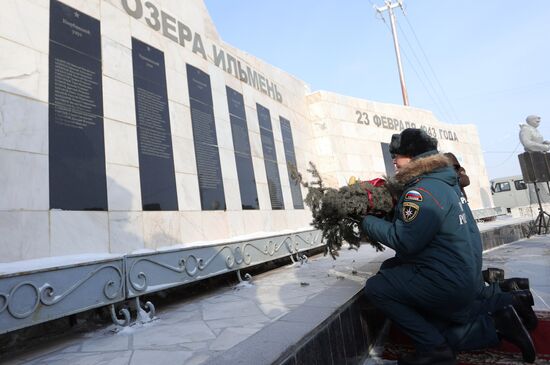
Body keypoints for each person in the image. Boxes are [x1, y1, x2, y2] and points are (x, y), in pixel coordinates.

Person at [358, 128, 535, 364]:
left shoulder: (421, 191)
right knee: (391, 268)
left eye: (397, 156)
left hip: (451, 281)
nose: (394, 162)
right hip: (465, 272)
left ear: (413, 157)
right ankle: (507, 302)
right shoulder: (444, 181)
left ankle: (438, 347)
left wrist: (366, 221)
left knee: (377, 288)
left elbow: (405, 241)